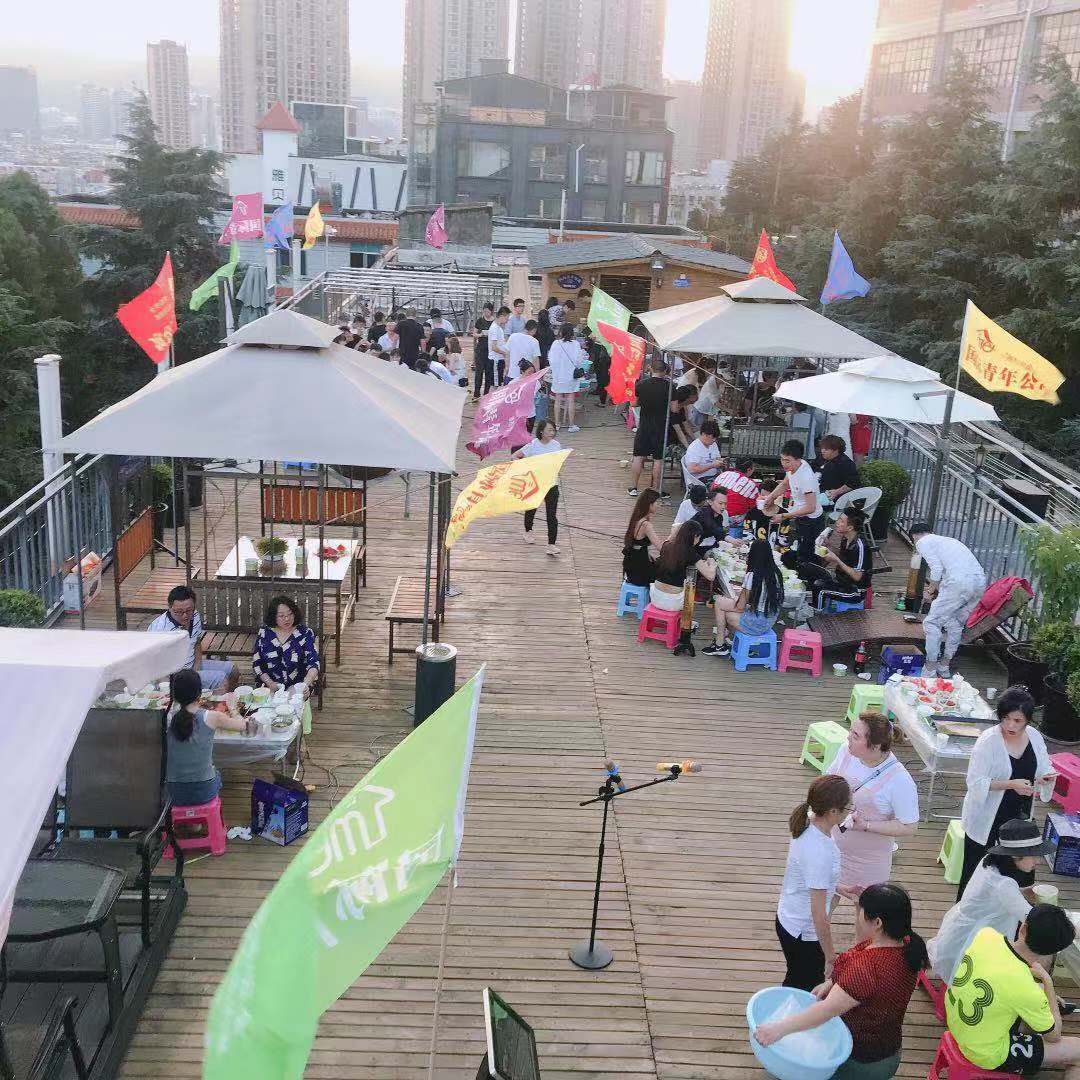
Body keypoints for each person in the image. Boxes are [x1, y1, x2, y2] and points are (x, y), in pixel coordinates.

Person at [756, 883, 928, 1079]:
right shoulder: (906, 944)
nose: (859, 914)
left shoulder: (867, 967)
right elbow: (865, 970)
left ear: (878, 923)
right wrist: (831, 982)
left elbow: (826, 1010)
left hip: (861, 1062)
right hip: (888, 1050)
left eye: (861, 910)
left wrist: (777, 1029)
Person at [945, 905, 1080, 1076]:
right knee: (1078, 1051)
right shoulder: (1027, 989)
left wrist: (1041, 990)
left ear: (1023, 929)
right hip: (986, 1053)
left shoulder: (986, 935)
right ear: (1055, 951)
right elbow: (1054, 1036)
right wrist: (1048, 983)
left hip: (956, 1023)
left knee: (1034, 1003)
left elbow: (1007, 975)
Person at [929, 817, 1050, 987]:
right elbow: (1036, 921)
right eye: (1033, 855)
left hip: (957, 933)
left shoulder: (990, 861)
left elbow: (999, 895)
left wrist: (1022, 892)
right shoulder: (1004, 886)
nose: (1037, 861)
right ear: (1014, 855)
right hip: (974, 945)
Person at [957, 686, 1054, 899]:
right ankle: (965, 911)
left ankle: (1015, 912)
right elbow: (975, 782)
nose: (1010, 725)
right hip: (988, 816)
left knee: (1021, 872)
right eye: (1006, 718)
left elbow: (1044, 766)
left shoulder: (1034, 737)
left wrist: (1045, 777)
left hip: (1019, 815)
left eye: (1017, 720)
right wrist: (1011, 784)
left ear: (1028, 720)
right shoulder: (988, 741)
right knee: (975, 871)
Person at [826, 712, 919, 895]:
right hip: (832, 845)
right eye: (851, 731)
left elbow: (909, 826)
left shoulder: (900, 780)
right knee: (826, 898)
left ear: (875, 746)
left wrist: (866, 825)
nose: (848, 737)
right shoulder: (846, 750)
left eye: (855, 735)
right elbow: (829, 778)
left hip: (869, 861)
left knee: (864, 906)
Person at [775, 774, 850, 991]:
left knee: (796, 978)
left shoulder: (810, 821)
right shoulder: (819, 851)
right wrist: (830, 957)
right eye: (848, 807)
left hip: (788, 918)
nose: (849, 812)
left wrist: (839, 888)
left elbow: (811, 878)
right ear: (833, 811)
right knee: (803, 988)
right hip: (803, 932)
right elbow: (818, 915)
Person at [910, 523, 988, 678]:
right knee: (955, 623)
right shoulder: (950, 541)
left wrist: (930, 591)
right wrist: (938, 590)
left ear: (915, 536)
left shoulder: (922, 541)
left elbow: (936, 569)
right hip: (979, 582)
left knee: (932, 622)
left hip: (959, 582)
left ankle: (930, 669)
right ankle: (944, 666)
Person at [166, 668, 250, 807]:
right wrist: (233, 707)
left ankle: (190, 816)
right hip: (204, 790)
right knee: (216, 772)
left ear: (174, 695)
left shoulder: (167, 717)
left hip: (174, 791)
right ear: (199, 693)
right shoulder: (211, 717)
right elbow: (242, 725)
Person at [148, 585, 239, 691]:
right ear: (169, 607)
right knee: (222, 680)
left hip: (191, 665)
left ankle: (224, 698)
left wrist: (196, 669)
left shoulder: (194, 616)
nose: (185, 616)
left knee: (233, 670)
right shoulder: (159, 629)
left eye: (189, 610)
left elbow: (197, 643)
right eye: (179, 612)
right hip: (172, 676)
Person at [703, 537, 784, 657]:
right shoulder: (776, 573)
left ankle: (719, 644)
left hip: (756, 624)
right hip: (769, 620)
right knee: (724, 605)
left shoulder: (753, 575)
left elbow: (740, 607)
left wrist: (734, 600)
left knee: (720, 604)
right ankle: (724, 640)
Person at [798, 509, 872, 609]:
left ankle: (817, 613)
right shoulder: (846, 539)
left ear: (850, 527)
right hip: (841, 580)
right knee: (807, 567)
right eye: (839, 519)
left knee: (820, 588)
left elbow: (857, 576)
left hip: (855, 590)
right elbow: (845, 556)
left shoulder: (860, 546)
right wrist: (829, 546)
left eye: (841, 521)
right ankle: (810, 602)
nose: (837, 522)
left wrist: (836, 559)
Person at [762, 439, 823, 559]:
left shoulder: (806, 478)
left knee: (806, 555)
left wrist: (784, 516)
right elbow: (785, 483)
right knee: (797, 548)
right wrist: (771, 497)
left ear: (798, 459)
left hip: (811, 520)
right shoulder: (793, 468)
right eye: (782, 459)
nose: (784, 464)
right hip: (800, 514)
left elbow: (810, 508)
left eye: (787, 461)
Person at [252, 595, 321, 698]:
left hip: (298, 684)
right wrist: (270, 683)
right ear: (273, 616)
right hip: (269, 683)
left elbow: (314, 663)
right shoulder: (265, 633)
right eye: (281, 616)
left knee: (294, 698)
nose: (287, 619)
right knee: (267, 702)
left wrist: (305, 684)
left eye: (290, 614)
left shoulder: (305, 633)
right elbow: (257, 663)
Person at [512, 420, 563, 555]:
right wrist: (525, 466)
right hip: (535, 484)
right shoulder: (533, 445)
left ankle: (551, 544)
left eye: (553, 430)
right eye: (549, 430)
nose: (552, 433)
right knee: (531, 509)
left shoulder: (556, 445)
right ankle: (528, 530)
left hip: (552, 484)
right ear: (541, 431)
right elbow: (515, 456)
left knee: (551, 515)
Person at [650, 519, 717, 612]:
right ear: (695, 536)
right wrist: (712, 563)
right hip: (673, 602)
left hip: (655, 596)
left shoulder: (666, 545)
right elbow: (711, 576)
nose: (698, 540)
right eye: (699, 537)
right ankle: (687, 619)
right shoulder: (691, 553)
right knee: (691, 584)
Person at [628, 357, 671, 497]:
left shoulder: (641, 384)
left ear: (651, 369)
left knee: (638, 456)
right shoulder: (669, 386)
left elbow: (633, 404)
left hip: (645, 425)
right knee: (658, 459)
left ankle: (634, 487)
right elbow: (674, 408)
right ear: (665, 371)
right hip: (661, 426)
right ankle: (655, 489)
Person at [548, 323, 583, 433]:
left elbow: (551, 360)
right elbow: (579, 361)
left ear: (561, 332)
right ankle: (571, 425)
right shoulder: (576, 344)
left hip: (558, 376)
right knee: (571, 400)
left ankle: (557, 424)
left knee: (557, 400)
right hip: (571, 377)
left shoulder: (556, 344)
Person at [623, 489, 662, 587]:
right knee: (667, 572)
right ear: (650, 505)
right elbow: (660, 548)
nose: (658, 505)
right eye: (656, 502)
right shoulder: (646, 525)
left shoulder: (636, 518)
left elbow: (638, 546)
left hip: (630, 565)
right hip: (639, 570)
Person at [712, 459, 760, 529]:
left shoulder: (723, 474)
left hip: (714, 514)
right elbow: (754, 505)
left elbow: (712, 491)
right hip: (733, 519)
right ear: (749, 470)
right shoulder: (752, 485)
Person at [816, 434, 861, 505]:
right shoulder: (821, 458)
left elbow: (853, 484)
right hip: (818, 492)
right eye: (822, 448)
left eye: (826, 449)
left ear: (836, 450)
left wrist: (836, 492)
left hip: (836, 498)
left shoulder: (846, 463)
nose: (823, 451)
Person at [681, 419, 722, 489]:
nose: (714, 440)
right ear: (704, 434)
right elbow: (692, 469)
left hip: (713, 476)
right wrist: (712, 465)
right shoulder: (695, 447)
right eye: (712, 437)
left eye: (715, 438)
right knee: (724, 489)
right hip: (699, 480)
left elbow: (717, 458)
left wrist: (721, 461)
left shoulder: (713, 444)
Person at [472, 302, 494, 399]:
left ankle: (486, 394)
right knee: (479, 372)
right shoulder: (480, 321)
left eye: (487, 311)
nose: (485, 313)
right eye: (484, 311)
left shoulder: (494, 322)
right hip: (481, 349)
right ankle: (476, 394)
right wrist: (481, 334)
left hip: (490, 350)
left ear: (491, 311)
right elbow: (474, 334)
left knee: (489, 372)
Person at [488, 305, 511, 385]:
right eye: (507, 318)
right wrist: (505, 353)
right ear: (501, 316)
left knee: (496, 384)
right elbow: (494, 347)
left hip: (499, 360)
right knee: (494, 385)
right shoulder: (495, 328)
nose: (507, 321)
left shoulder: (499, 328)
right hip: (495, 360)